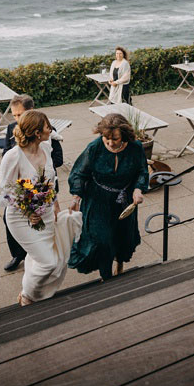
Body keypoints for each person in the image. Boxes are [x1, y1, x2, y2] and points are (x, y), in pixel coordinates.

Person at [0, 110, 69, 305]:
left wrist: (54, 203)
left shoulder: (45, 147)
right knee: (49, 262)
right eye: (47, 126)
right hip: (21, 218)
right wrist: (29, 212)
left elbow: (50, 180)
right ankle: (28, 294)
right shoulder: (13, 156)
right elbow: (7, 191)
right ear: (37, 133)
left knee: (42, 258)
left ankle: (32, 291)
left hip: (45, 214)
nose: (50, 129)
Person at [67, 114, 148, 281]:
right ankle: (107, 277)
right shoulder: (94, 147)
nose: (110, 143)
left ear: (124, 135)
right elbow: (78, 174)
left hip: (123, 200)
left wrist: (138, 189)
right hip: (97, 201)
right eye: (106, 138)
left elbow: (142, 171)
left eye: (115, 139)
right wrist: (76, 196)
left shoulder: (135, 147)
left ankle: (119, 262)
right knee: (102, 241)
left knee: (122, 236)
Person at [0, 95, 63, 272]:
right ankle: (18, 255)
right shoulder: (13, 145)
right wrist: (27, 204)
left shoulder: (47, 142)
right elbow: (7, 187)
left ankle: (32, 262)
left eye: (21, 115)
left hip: (45, 200)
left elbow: (55, 165)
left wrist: (52, 198)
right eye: (15, 116)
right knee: (47, 260)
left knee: (46, 254)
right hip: (21, 202)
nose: (19, 120)